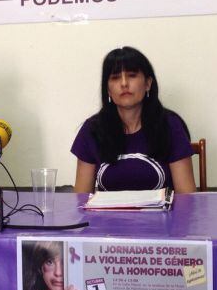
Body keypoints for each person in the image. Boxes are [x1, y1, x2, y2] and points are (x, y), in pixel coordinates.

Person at [72, 46, 196, 193]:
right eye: (115, 77)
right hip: (107, 216)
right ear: (108, 89)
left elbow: (187, 196)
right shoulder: (92, 130)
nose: (124, 83)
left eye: (132, 75)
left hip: (161, 215)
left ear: (148, 84)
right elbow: (81, 198)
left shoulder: (170, 125)